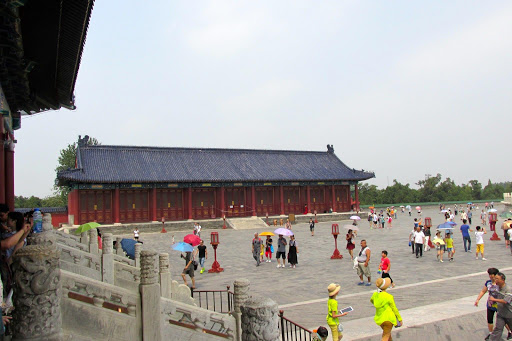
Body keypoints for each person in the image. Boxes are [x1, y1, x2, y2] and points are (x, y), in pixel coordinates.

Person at [475, 268, 512, 340]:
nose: (492, 277)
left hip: (506, 310)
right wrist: (478, 299)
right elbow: (483, 291)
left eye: (495, 277)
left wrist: (494, 299)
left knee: (508, 323)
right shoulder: (489, 283)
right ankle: (491, 334)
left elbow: (505, 300)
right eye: (490, 275)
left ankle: (510, 331)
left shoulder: (505, 287)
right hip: (495, 308)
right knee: (496, 326)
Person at [489, 273, 512, 341]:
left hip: (509, 314)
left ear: (503, 280)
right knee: (498, 329)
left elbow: (505, 301)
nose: (495, 280)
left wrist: (494, 299)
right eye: (495, 278)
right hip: (500, 314)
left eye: (497, 279)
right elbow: (494, 295)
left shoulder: (508, 289)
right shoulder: (497, 288)